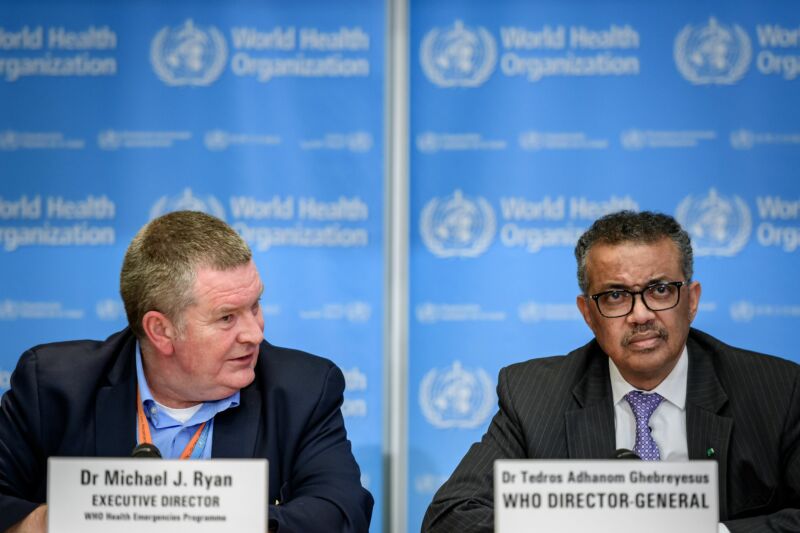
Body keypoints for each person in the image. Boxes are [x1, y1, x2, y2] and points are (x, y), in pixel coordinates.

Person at [423, 210, 800, 532]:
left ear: (692, 300)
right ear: (588, 313)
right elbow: (450, 517)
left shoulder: (775, 391)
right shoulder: (534, 397)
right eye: (616, 296)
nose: (640, 314)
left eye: (660, 290)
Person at [0, 210, 373, 533]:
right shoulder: (54, 387)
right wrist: (63, 518)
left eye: (255, 305)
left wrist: (216, 518)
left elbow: (342, 513)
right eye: (227, 317)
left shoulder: (303, 388)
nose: (255, 333)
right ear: (160, 331)